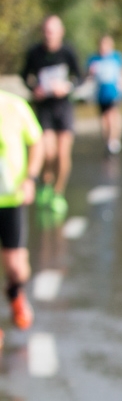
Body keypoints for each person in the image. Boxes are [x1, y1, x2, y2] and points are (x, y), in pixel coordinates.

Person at [21, 14, 82, 222]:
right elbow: (24, 75)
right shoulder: (34, 53)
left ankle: (58, 193)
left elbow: (79, 76)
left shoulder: (68, 52)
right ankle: (46, 183)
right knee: (48, 152)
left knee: (63, 153)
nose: (49, 36)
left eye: (52, 32)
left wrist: (68, 86)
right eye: (46, 32)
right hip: (44, 109)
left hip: (63, 108)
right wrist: (34, 88)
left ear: (60, 33)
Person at [0, 84, 43, 348]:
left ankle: (16, 293)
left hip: (11, 200)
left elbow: (36, 141)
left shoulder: (14, 105)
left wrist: (30, 179)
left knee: (16, 266)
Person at [87, 34, 122, 154]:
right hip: (100, 94)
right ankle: (107, 141)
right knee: (104, 119)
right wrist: (90, 72)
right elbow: (88, 76)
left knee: (112, 116)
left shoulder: (116, 57)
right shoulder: (94, 59)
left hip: (113, 93)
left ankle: (114, 140)